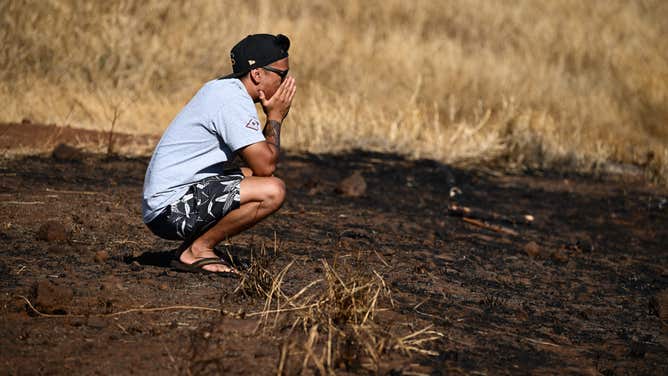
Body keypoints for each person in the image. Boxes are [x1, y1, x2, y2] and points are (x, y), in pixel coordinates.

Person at [142, 34, 296, 275]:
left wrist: (272, 117)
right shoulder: (231, 99)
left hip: (173, 199)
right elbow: (267, 165)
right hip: (168, 211)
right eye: (282, 75)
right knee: (273, 190)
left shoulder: (227, 90)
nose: (287, 83)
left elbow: (261, 164)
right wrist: (276, 117)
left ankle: (195, 247)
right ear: (257, 74)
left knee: (255, 176)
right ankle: (197, 250)